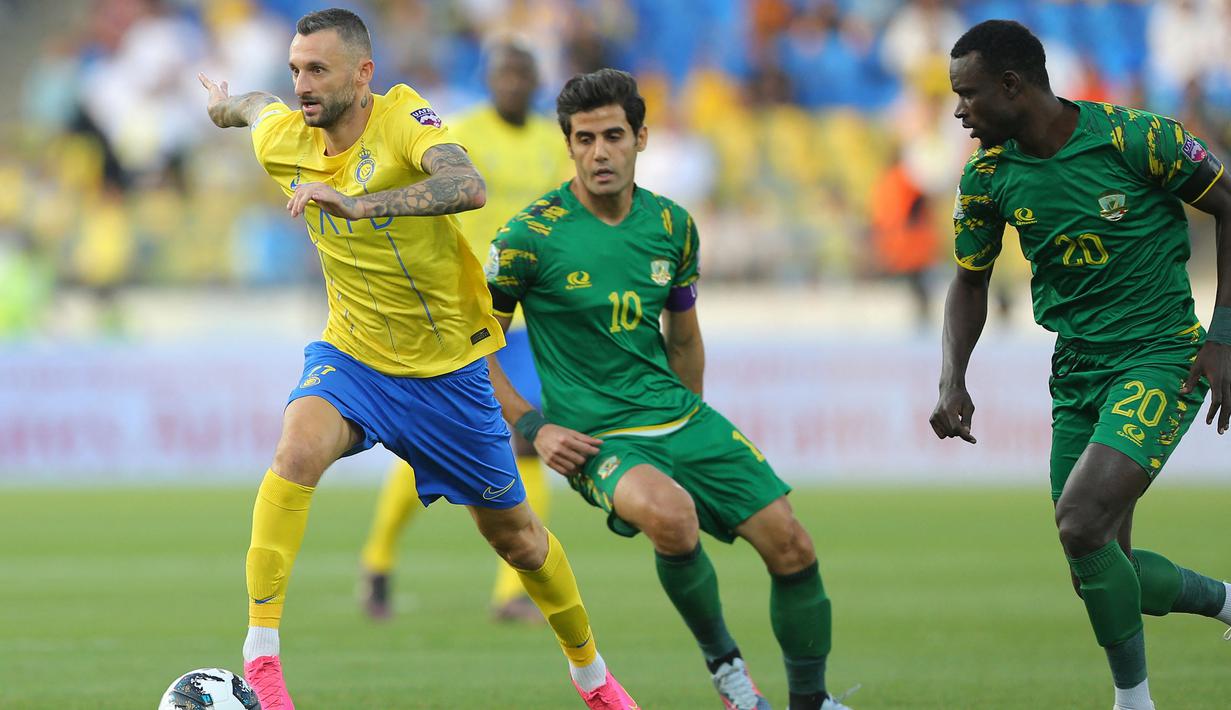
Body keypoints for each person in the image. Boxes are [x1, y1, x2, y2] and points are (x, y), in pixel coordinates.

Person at [197, 9, 637, 709]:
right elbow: (257, 109)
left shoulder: (403, 118)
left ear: (363, 74)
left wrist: (359, 204)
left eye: (317, 70)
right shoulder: (286, 137)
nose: (301, 85)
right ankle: (262, 662)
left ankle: (592, 677)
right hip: (355, 356)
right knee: (294, 454)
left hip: (448, 373)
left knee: (520, 541)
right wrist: (227, 107)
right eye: (294, 71)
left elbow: (467, 186)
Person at [483, 68, 852, 710]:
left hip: (680, 416)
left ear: (641, 138)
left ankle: (811, 702)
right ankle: (729, 672)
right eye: (585, 139)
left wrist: (696, 418)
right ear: (567, 144)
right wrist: (531, 425)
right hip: (598, 438)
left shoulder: (673, 227)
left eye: (614, 136)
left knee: (793, 544)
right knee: (672, 519)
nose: (600, 152)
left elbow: (683, 339)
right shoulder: (527, 238)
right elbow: (470, 348)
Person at [930, 20, 1231, 710]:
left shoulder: (1137, 139)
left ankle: (1132, 702)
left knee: (1077, 521)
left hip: (1160, 356)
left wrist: (1222, 336)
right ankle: (1222, 602)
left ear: (1011, 86)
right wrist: (952, 377)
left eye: (967, 95)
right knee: (1097, 562)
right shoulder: (985, 178)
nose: (957, 112)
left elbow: (1226, 207)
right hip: (1076, 372)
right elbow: (970, 281)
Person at [359, 37, 570, 623]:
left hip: (528, 318)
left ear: (533, 83)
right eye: (501, 75)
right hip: (462, 312)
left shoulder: (552, 147)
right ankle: (377, 560)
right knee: (425, 448)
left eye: (521, 76)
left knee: (528, 438)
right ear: (489, 79)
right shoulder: (464, 135)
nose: (511, 84)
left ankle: (511, 592)